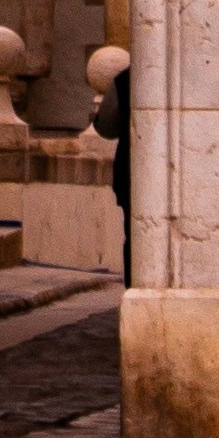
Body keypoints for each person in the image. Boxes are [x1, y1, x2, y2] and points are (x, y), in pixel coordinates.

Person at [85, 44, 131, 285]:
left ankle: (133, 287)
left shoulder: (125, 79)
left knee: (133, 238)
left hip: (130, 174)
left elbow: (106, 127)